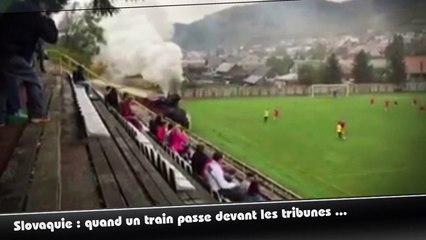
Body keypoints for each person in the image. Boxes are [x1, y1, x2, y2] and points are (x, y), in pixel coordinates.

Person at [0, 0, 58, 127]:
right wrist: (48, 19)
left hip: (4, 51)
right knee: (33, 80)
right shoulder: (36, 16)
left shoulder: (14, 6)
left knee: (3, 86)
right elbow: (52, 37)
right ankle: (37, 113)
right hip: (11, 54)